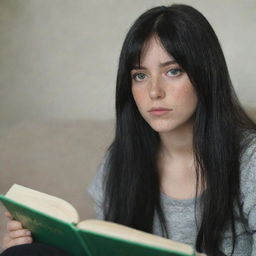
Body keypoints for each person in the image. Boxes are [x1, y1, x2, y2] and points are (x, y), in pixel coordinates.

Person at [1, 4, 256, 256]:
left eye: (173, 71)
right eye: (140, 76)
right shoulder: (120, 159)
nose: (154, 92)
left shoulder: (249, 159)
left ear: (206, 75)